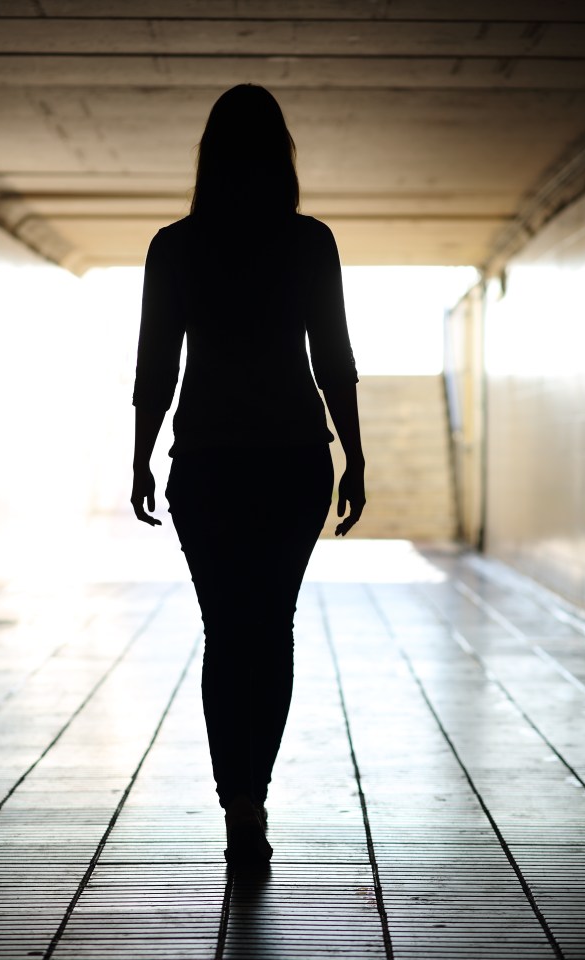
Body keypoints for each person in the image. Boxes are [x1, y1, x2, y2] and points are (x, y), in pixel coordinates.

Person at [131, 84, 365, 864]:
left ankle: (240, 804)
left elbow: (156, 365)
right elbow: (332, 357)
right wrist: (355, 455)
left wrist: (139, 455)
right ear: (281, 156)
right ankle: (252, 797)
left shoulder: (176, 245)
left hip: (207, 461)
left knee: (227, 633)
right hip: (295, 457)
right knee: (272, 630)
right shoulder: (308, 242)